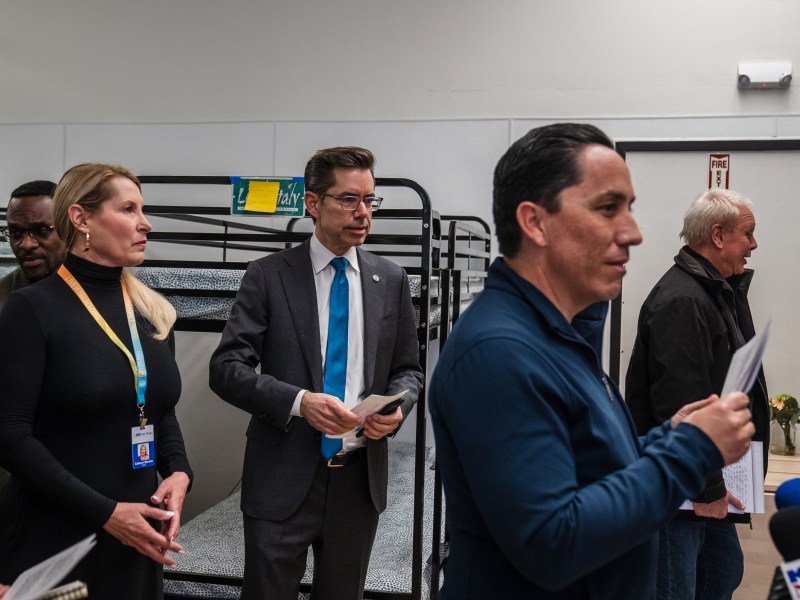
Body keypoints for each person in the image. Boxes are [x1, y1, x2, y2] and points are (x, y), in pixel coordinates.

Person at [428, 123, 755, 600]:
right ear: (535, 222)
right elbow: (553, 541)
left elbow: (588, 470)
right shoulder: (498, 353)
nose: (633, 233)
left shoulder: (556, 333)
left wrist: (672, 436)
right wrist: (692, 451)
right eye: (608, 209)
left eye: (629, 209)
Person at [209, 146, 422, 599]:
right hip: (281, 474)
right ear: (312, 203)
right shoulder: (268, 276)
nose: (363, 212)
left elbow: (408, 371)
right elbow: (226, 369)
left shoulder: (391, 278)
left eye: (370, 200)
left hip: (358, 479)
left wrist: (398, 407)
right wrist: (300, 402)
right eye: (349, 199)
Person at [0, 163, 193, 599]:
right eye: (128, 209)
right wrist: (106, 512)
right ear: (81, 219)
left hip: (137, 536)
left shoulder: (152, 312)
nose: (144, 223)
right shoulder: (31, 309)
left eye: (142, 209)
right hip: (56, 537)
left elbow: (160, 413)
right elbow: (10, 434)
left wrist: (179, 472)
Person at [625, 188, 769, 600]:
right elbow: (681, 403)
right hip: (680, 487)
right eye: (749, 234)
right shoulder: (683, 301)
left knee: (722, 574)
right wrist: (707, 489)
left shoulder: (713, 289)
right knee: (677, 588)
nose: (754, 245)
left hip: (702, 477)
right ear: (718, 235)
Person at [0, 180, 63, 310]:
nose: (26, 245)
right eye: (16, 233)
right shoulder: (4, 297)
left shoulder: (102, 288)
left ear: (67, 228)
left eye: (42, 231)